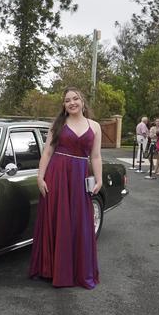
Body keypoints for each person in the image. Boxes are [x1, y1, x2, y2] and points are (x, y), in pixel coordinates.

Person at [29, 87, 102, 289]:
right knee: (57, 221)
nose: (72, 103)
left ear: (82, 101)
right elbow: (47, 152)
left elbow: (95, 156)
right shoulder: (58, 124)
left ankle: (76, 271)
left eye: (75, 98)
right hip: (57, 176)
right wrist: (40, 177)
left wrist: (99, 179)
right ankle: (52, 270)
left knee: (79, 222)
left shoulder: (95, 126)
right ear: (64, 105)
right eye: (67, 100)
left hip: (79, 178)